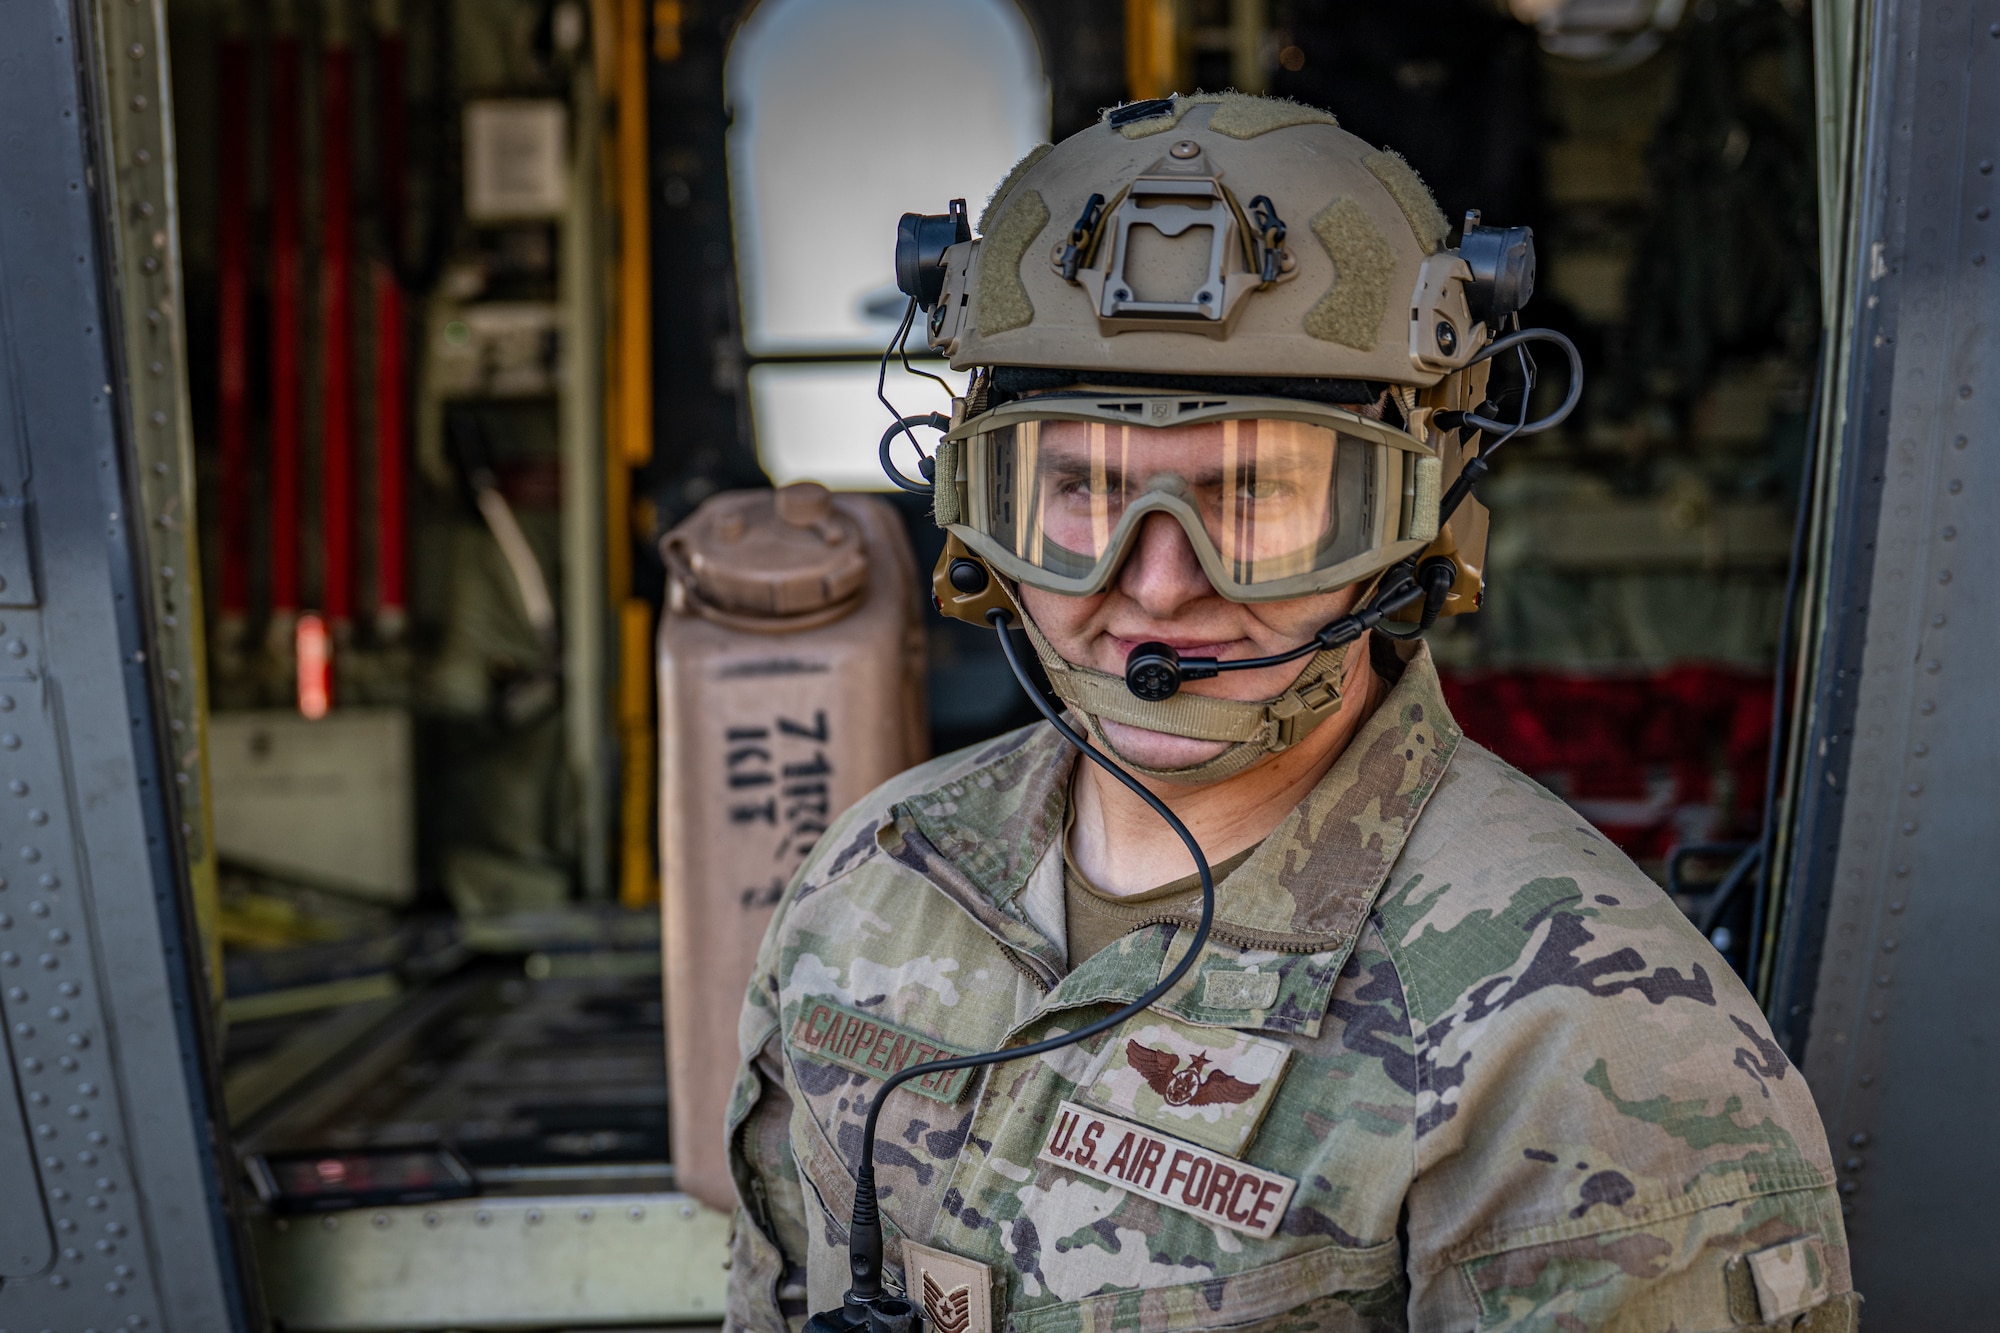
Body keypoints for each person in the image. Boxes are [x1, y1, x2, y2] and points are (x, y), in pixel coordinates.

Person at [722, 92, 1853, 1333]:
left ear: (1415, 518)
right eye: (1079, 489)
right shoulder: (872, 876)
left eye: (1253, 497)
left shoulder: (1584, 1040)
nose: (1156, 585)